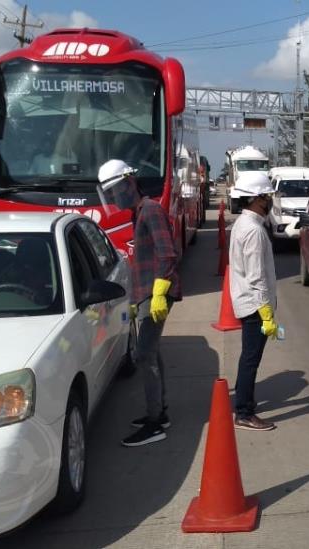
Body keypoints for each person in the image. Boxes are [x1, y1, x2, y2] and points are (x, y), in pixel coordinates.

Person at [97, 159, 181, 446]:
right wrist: (135, 297)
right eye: (110, 193)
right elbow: (144, 259)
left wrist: (158, 292)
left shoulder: (152, 210)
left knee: (144, 355)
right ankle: (159, 412)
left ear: (130, 182)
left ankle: (155, 422)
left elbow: (167, 254)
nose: (115, 197)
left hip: (156, 293)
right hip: (145, 292)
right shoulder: (138, 212)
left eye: (117, 189)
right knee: (152, 353)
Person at [229, 171, 280, 431]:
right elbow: (257, 277)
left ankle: (243, 403)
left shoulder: (244, 224)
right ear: (258, 199)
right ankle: (244, 412)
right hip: (254, 307)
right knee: (251, 359)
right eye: (268, 196)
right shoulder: (254, 232)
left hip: (249, 303)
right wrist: (267, 314)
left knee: (248, 357)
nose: (271, 200)